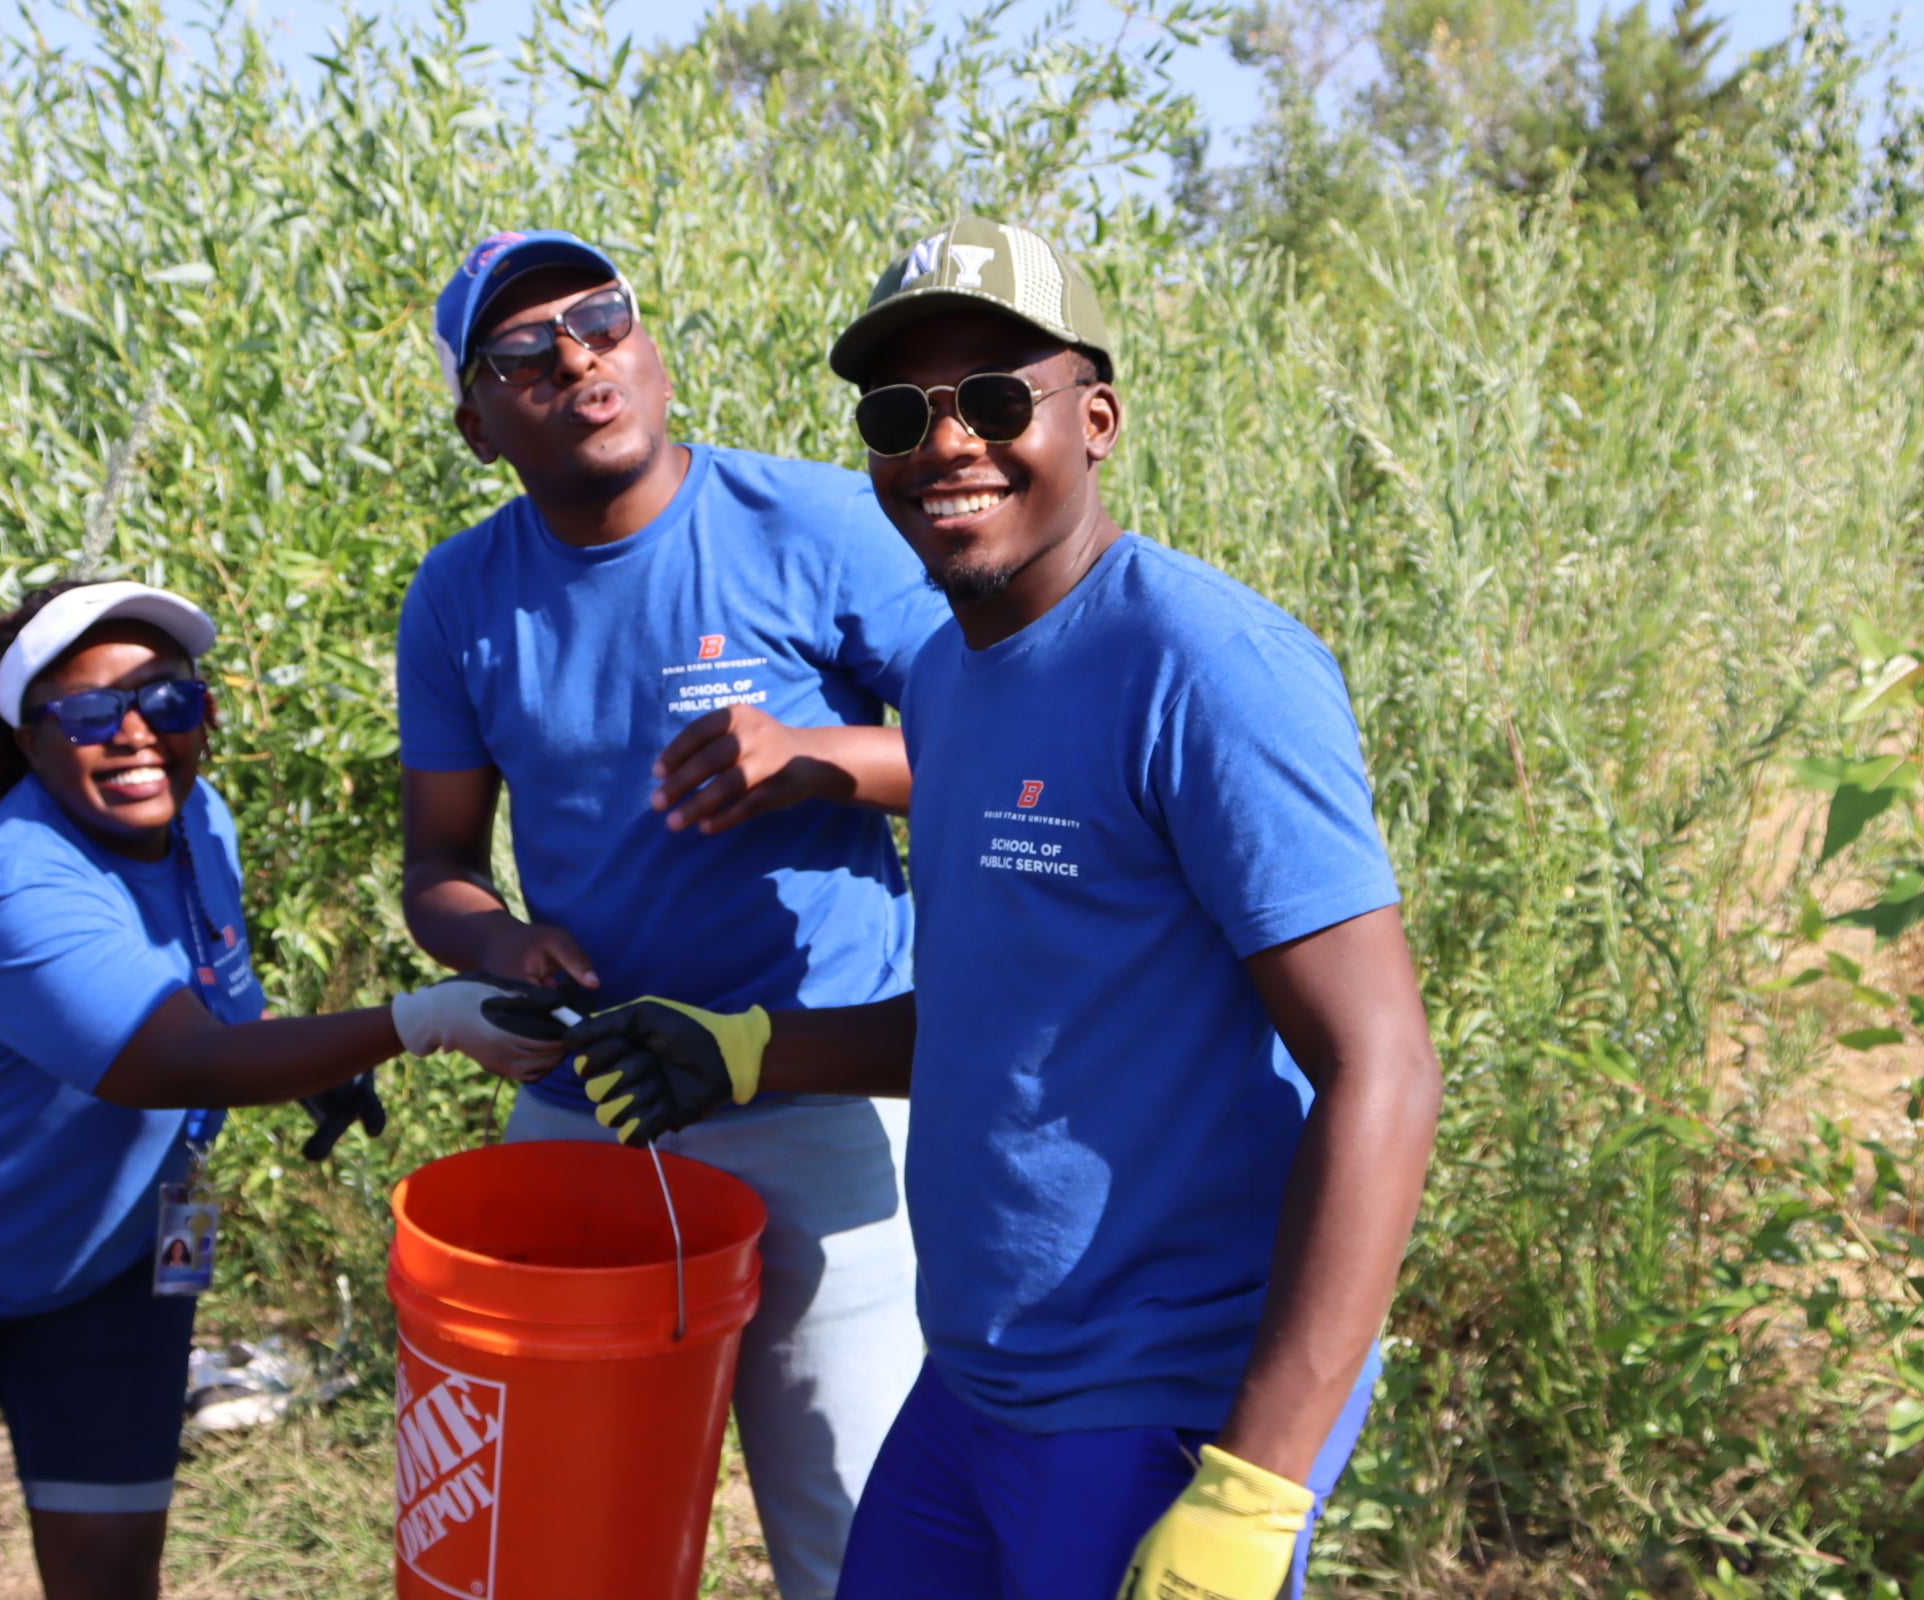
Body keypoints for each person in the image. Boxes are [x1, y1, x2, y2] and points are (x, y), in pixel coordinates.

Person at [556, 218, 1445, 1600]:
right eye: (903, 410)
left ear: (1094, 418)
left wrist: (1257, 1486)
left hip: (1159, 1400)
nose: (947, 442)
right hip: (973, 1379)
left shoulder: (1206, 669)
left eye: (994, 398)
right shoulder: (949, 678)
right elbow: (1008, 1009)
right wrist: (751, 1049)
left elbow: (1381, 1067)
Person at [0, 579, 564, 1600]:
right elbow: (170, 1059)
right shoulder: (14, 891)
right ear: (30, 738)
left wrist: (316, 1063)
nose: (137, 734)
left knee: (112, 1570)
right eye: (91, 711)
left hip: (112, 1261)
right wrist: (425, 1020)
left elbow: (214, 1009)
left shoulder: (197, 825)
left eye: (168, 701)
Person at [398, 228, 950, 1599]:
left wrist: (817, 758)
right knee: (564, 1537)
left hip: (823, 1100)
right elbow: (441, 871)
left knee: (854, 1534)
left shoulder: (814, 525)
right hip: (597, 1111)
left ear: (647, 342)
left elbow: (1007, 756)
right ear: (478, 423)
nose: (576, 356)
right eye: (523, 352)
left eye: (600, 317)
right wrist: (497, 943)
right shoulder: (461, 597)